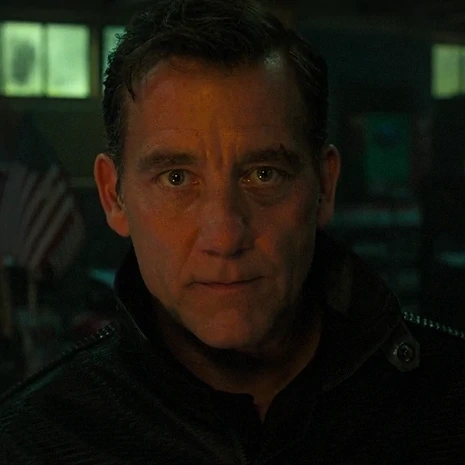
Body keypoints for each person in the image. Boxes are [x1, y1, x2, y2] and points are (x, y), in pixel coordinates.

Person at [1, 0, 464, 463]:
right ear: (113, 196)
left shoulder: (449, 402)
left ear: (324, 186)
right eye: (176, 178)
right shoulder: (31, 443)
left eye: (263, 174)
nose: (224, 237)